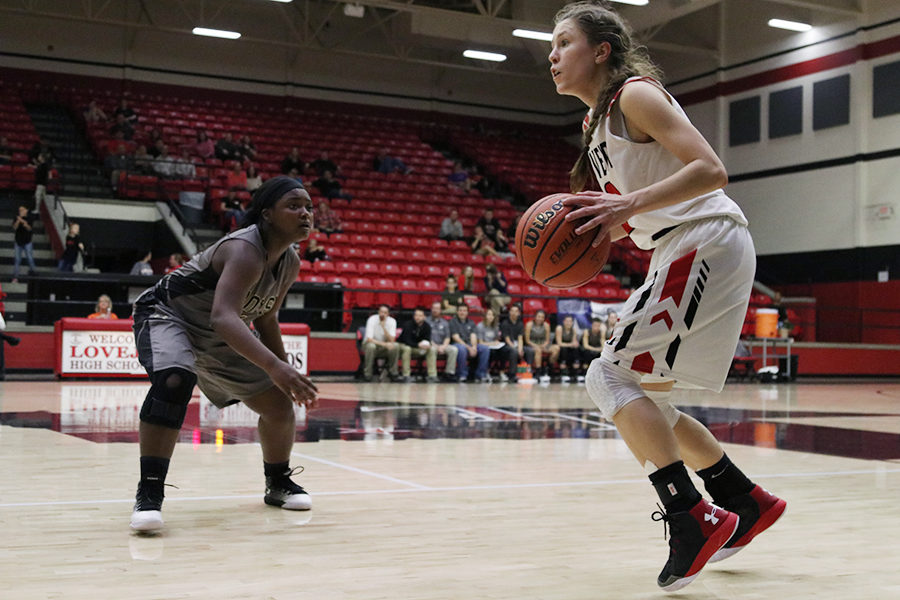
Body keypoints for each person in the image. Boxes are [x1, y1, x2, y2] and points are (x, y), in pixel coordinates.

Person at [549, 3, 785, 590]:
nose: (551, 56)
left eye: (563, 43)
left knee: (607, 378)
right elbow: (639, 206)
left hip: (703, 238)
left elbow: (710, 169)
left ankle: (690, 517)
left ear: (601, 50)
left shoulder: (635, 95)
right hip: (682, 244)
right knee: (647, 401)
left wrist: (627, 206)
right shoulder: (593, 125)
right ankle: (742, 498)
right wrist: (609, 226)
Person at [129, 175, 318, 532]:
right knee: (174, 380)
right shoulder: (244, 249)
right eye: (294, 205)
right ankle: (149, 493)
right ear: (267, 215)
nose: (305, 213)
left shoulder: (290, 260)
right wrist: (274, 365)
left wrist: (284, 373)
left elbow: (266, 317)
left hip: (214, 332)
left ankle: (278, 482)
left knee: (279, 405)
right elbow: (223, 315)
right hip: (167, 313)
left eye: (308, 207)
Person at [449, 303, 490, 383]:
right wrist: (469, 347)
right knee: (462, 349)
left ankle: (480, 374)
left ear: (467, 312)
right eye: (460, 310)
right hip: (458, 344)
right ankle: (462, 374)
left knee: (485, 349)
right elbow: (456, 338)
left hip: (470, 344)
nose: (462, 312)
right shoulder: (453, 322)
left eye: (464, 311)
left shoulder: (471, 322)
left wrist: (474, 347)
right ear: (457, 312)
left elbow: (473, 336)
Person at [362, 304, 401, 382]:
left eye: (385, 312)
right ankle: (368, 374)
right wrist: (385, 344)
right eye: (381, 312)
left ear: (388, 314)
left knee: (395, 346)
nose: (382, 314)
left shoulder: (392, 321)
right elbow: (369, 339)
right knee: (371, 346)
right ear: (378, 312)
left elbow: (392, 340)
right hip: (370, 345)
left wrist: (384, 327)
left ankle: (393, 373)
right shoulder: (372, 319)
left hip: (383, 347)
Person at [397, 307, 435, 383]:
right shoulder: (408, 325)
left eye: (420, 316)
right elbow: (407, 341)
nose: (417, 317)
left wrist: (427, 345)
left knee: (432, 349)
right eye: (416, 315)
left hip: (417, 347)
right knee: (407, 349)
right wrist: (418, 345)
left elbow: (427, 339)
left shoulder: (427, 326)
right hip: (403, 344)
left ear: (424, 317)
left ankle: (432, 376)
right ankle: (406, 375)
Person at [425, 301, 459, 381]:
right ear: (431, 309)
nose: (435, 310)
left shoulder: (445, 322)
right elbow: (426, 337)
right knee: (432, 350)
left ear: (441, 310)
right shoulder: (426, 321)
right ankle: (432, 375)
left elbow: (447, 337)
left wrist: (443, 347)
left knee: (454, 349)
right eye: (434, 308)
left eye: (437, 309)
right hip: (431, 344)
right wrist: (436, 346)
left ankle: (449, 373)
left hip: (442, 345)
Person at [524, 309, 558, 383]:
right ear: (535, 317)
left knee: (556, 348)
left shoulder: (546, 325)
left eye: (542, 317)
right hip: (532, 345)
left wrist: (544, 345)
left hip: (543, 345)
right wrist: (536, 346)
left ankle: (549, 367)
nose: (540, 318)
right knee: (538, 350)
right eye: (538, 316)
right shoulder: (529, 325)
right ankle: (538, 372)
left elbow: (547, 340)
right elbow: (527, 340)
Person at [499, 303, 526, 383]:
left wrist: (520, 349)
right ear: (509, 312)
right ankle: (512, 374)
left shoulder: (520, 324)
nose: (514, 313)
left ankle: (528, 372)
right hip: (505, 346)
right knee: (513, 351)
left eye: (516, 311)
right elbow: (507, 339)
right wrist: (515, 348)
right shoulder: (505, 323)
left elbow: (520, 338)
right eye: (512, 311)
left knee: (529, 351)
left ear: (519, 313)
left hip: (517, 345)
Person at [475, 307, 504, 381]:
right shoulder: (480, 326)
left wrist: (496, 342)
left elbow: (496, 339)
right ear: (485, 316)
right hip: (482, 346)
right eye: (489, 314)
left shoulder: (495, 326)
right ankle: (484, 372)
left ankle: (501, 372)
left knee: (504, 350)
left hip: (493, 346)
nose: (490, 317)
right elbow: (480, 342)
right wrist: (492, 343)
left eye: (492, 315)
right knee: (488, 351)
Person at [11, 206, 37, 282]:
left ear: (26, 210)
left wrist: (23, 221)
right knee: (17, 259)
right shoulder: (16, 218)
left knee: (30, 258)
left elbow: (29, 228)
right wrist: (18, 220)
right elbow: (14, 228)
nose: (20, 211)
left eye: (22, 209)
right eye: (19, 210)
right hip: (18, 242)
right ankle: (15, 277)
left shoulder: (30, 218)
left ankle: (35, 276)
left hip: (27, 242)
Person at [555, 314, 581, 383]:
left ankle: (575, 371)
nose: (568, 323)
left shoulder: (574, 330)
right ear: (563, 322)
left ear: (572, 322)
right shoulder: (559, 328)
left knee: (576, 349)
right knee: (563, 349)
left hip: (569, 349)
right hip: (560, 350)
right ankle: (563, 372)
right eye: (567, 321)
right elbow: (559, 343)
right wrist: (571, 344)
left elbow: (574, 343)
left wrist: (575, 344)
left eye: (570, 321)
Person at [579, 317, 605, 382]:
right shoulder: (586, 331)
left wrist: (598, 349)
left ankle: (599, 375)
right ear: (591, 325)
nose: (596, 327)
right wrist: (596, 349)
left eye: (598, 326)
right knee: (587, 353)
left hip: (595, 350)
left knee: (603, 354)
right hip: (586, 350)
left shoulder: (601, 332)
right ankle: (584, 374)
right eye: (595, 325)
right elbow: (585, 345)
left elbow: (603, 346)